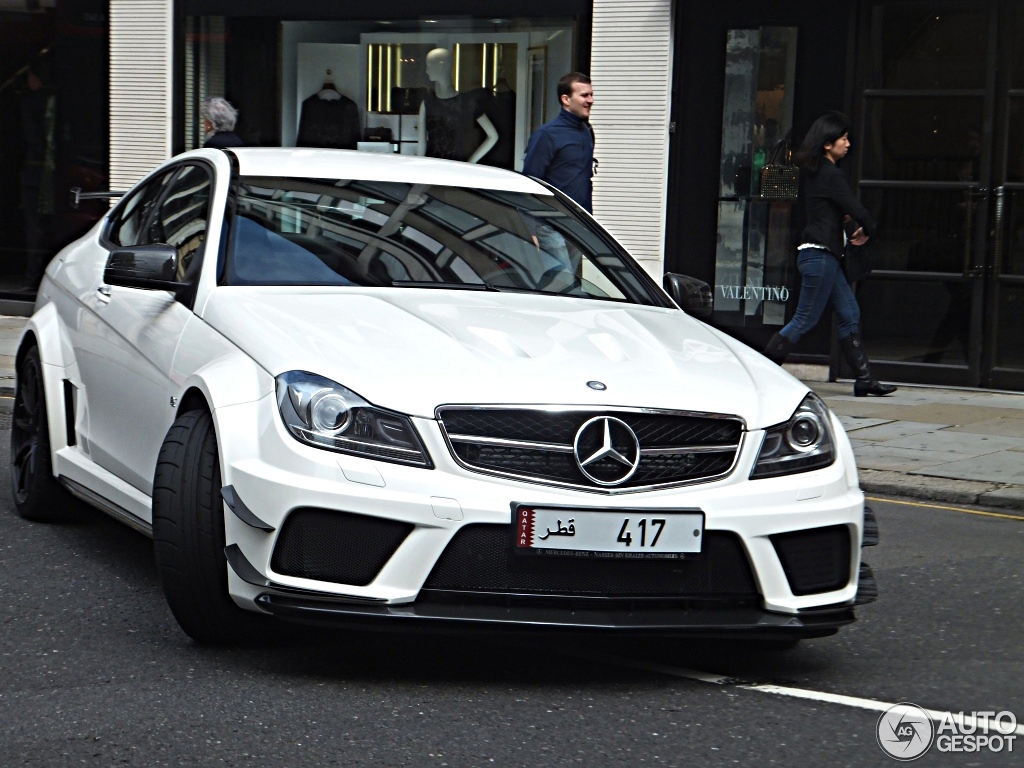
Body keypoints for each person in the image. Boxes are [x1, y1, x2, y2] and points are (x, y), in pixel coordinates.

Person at [762, 111, 897, 397]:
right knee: (804, 320)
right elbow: (855, 206)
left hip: (825, 257)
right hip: (819, 256)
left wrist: (851, 225)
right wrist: (870, 229)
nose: (848, 144)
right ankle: (761, 374)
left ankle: (864, 380)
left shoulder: (817, 172)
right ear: (827, 144)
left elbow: (839, 209)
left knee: (850, 313)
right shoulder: (829, 172)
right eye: (843, 139)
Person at [522, 72, 595, 213]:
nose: (591, 100)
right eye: (584, 95)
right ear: (566, 99)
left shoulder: (587, 131)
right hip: (553, 223)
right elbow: (531, 182)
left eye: (591, 95)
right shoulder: (546, 134)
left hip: (583, 221)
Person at [417, 48, 498, 163]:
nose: (426, 70)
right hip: (432, 170)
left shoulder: (467, 102)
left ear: (441, 65)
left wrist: (471, 162)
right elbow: (421, 145)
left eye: (429, 65)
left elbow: (493, 136)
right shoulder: (427, 104)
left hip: (456, 169)